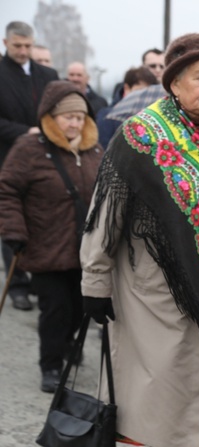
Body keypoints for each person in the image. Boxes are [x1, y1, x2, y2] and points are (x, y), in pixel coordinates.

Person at [79, 33, 199, 447]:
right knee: (168, 384)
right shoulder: (142, 135)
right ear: (174, 83)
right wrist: (94, 281)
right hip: (154, 286)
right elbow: (106, 211)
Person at [0, 81, 102, 392]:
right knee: (55, 311)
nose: (75, 123)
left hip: (86, 250)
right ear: (51, 117)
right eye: (68, 117)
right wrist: (14, 230)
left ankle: (69, 344)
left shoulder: (95, 150)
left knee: (79, 308)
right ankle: (51, 366)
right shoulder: (29, 149)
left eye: (80, 118)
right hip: (46, 247)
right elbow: (7, 191)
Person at [0, 21, 58, 312]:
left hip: (44, 160)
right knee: (13, 221)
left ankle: (39, 278)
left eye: (27, 46)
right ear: (5, 42)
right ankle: (18, 285)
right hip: (7, 157)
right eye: (17, 46)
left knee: (41, 219)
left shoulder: (47, 74)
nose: (23, 51)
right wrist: (26, 131)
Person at [96, 65, 157, 149]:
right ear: (127, 88)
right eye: (140, 91)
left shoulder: (154, 117)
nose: (144, 97)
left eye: (148, 93)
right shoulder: (108, 116)